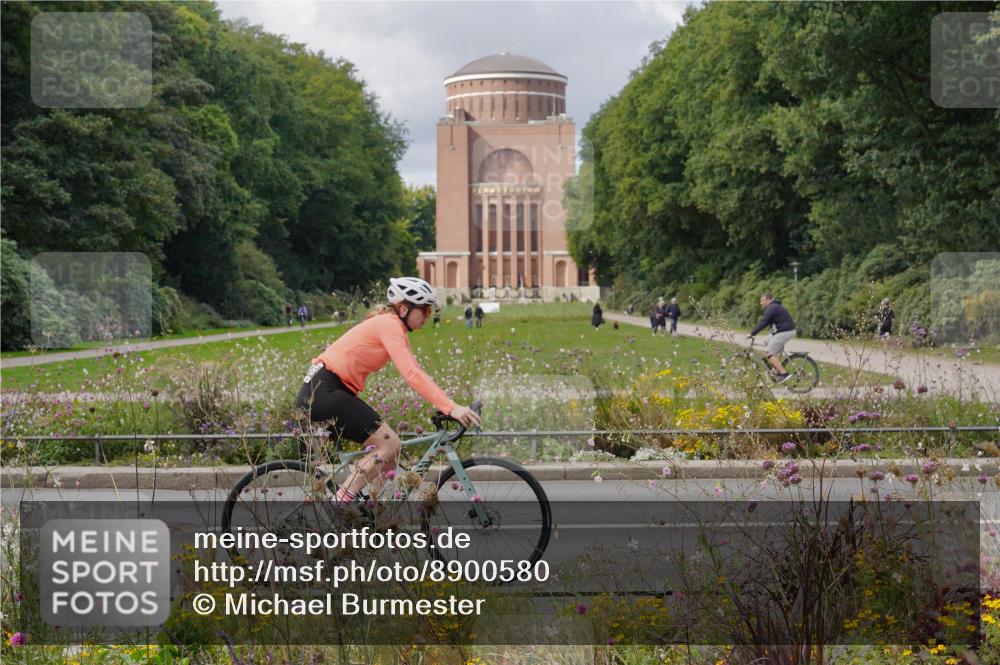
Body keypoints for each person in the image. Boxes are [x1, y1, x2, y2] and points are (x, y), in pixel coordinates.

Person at [296, 277, 481, 505]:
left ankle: (375, 518)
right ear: (404, 308)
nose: (428, 314)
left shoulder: (394, 328)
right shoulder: (389, 324)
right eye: (424, 308)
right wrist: (451, 408)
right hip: (324, 391)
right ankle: (339, 502)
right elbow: (412, 374)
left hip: (328, 390)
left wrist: (447, 404)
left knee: (389, 457)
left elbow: (417, 371)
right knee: (390, 443)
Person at [749, 292, 796, 382]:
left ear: (768, 300)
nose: (761, 303)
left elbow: (764, 322)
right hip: (781, 330)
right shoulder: (773, 307)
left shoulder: (772, 307)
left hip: (785, 331)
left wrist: (753, 333)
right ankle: (775, 366)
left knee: (768, 353)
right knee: (766, 341)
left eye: (762, 300)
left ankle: (783, 373)